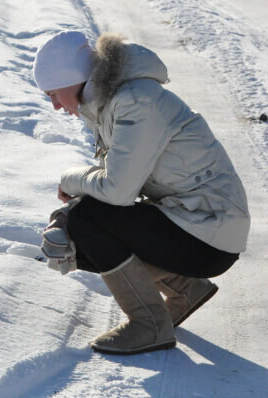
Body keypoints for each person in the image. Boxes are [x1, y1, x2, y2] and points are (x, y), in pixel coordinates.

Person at [33, 31, 250, 355]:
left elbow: (118, 191)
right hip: (196, 223)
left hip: (210, 233)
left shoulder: (135, 101)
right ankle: (185, 289)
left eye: (52, 93)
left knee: (85, 222)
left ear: (72, 78)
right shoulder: (112, 102)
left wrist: (71, 183)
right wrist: (65, 213)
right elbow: (118, 186)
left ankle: (149, 325)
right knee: (80, 224)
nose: (54, 105)